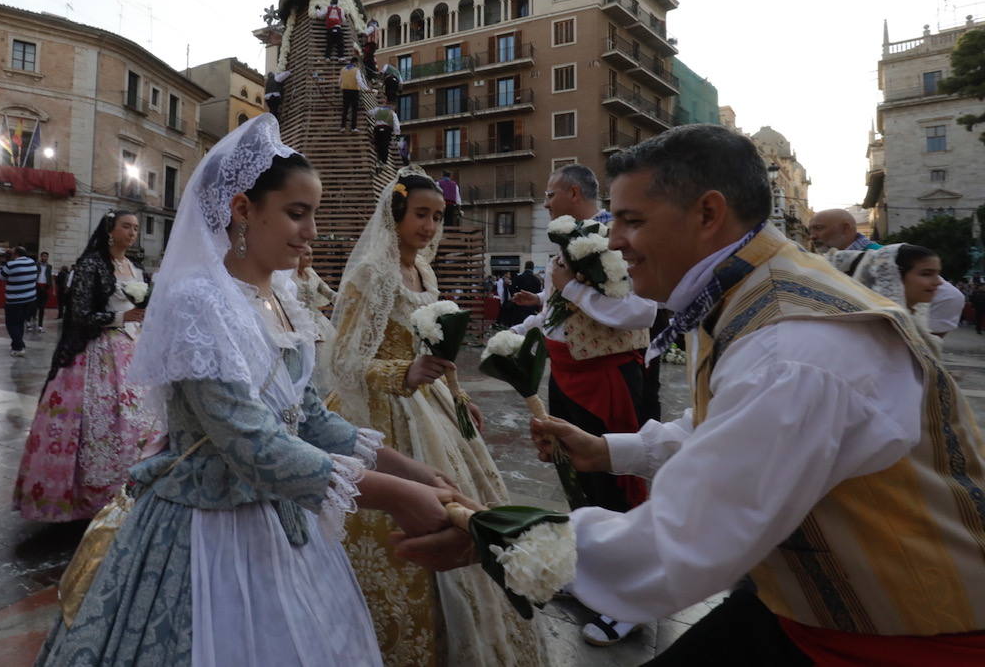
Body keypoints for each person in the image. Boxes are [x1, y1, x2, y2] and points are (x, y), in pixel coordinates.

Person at [397, 124, 985, 665]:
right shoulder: (749, 293)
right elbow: (728, 429)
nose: (616, 242)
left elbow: (688, 535)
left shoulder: (791, 345)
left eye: (632, 221)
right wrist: (611, 451)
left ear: (708, 213)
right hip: (813, 602)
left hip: (902, 636)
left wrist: (502, 538)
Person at [36, 115, 454, 666]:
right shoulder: (198, 301)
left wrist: (412, 470)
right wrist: (398, 496)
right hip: (208, 528)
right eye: (296, 214)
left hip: (282, 519)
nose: (310, 232)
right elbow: (251, 444)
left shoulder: (282, 298)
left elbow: (307, 417)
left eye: (314, 215)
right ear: (242, 210)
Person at [328, 169, 542, 666]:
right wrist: (404, 372)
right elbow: (342, 362)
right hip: (386, 415)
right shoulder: (372, 274)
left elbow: (435, 348)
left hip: (433, 407)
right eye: (421, 214)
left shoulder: (425, 270)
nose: (429, 226)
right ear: (396, 214)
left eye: (437, 216)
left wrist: (458, 392)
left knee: (465, 502)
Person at [510, 164, 657, 647]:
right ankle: (593, 574)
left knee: (615, 485)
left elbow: (644, 310)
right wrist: (513, 336)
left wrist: (571, 288)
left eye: (550, 193)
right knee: (575, 477)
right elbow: (555, 313)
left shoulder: (615, 240)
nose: (545, 202)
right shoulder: (567, 244)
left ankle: (629, 601)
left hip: (606, 379)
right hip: (568, 375)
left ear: (574, 193)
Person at [14, 213, 163, 521]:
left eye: (136, 228)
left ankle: (135, 489)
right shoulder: (91, 265)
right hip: (99, 351)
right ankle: (91, 497)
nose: (133, 232)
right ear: (110, 230)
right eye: (126, 226)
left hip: (133, 349)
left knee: (139, 418)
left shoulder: (134, 267)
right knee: (99, 420)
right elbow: (80, 313)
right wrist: (122, 318)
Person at [0, 246, 38, 356]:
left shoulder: (11, 265)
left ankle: (19, 347)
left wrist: (4, 262)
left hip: (15, 301)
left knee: (11, 324)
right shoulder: (32, 263)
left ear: (15, 254)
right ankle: (16, 346)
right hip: (30, 300)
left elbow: (0, 277)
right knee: (20, 323)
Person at [808, 207, 879, 252]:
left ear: (845, 228)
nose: (812, 236)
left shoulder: (882, 257)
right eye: (810, 231)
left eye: (819, 228)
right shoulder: (826, 262)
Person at [367, 95, 400, 170]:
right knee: (385, 146)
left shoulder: (377, 109)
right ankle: (383, 162)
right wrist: (397, 135)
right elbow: (396, 124)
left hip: (377, 129)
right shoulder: (391, 112)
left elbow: (369, 113)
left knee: (378, 145)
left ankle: (379, 161)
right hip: (386, 130)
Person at [339, 56, 366, 133]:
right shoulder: (356, 70)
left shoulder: (343, 69)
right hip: (354, 91)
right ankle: (353, 128)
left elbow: (340, 80)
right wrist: (366, 89)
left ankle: (343, 127)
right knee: (354, 109)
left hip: (345, 91)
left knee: (345, 109)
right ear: (356, 62)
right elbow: (359, 81)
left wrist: (342, 87)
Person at [33, 251, 54, 332]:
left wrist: (53, 289)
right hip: (37, 286)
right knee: (34, 306)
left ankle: (40, 326)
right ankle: (30, 320)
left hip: (45, 287)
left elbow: (51, 277)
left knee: (42, 307)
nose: (44, 258)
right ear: (41, 257)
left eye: (46, 256)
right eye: (43, 256)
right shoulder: (36, 265)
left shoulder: (49, 266)